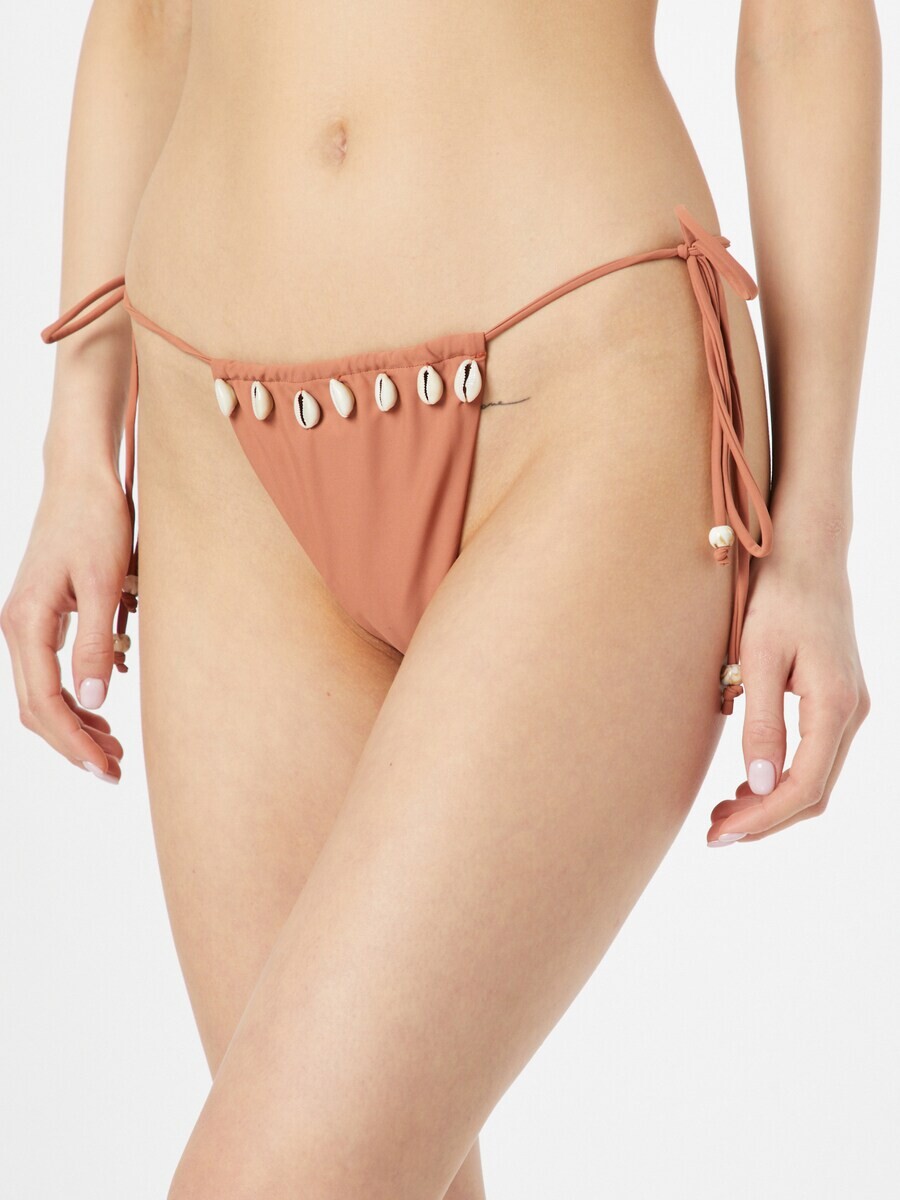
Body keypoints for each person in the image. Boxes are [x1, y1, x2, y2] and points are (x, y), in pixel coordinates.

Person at [1, 1, 879, 1195]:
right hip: (222, 466)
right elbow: (148, 17)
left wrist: (813, 538)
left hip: (577, 403)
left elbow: (803, 29)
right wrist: (77, 445)